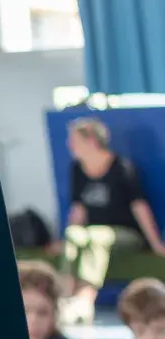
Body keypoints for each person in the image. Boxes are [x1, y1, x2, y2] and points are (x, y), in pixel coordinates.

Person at [59, 118, 165, 324]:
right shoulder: (77, 169)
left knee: (97, 237)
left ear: (90, 140)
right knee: (74, 233)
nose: (70, 145)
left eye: (74, 140)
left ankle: (85, 298)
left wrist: (156, 244)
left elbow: (139, 207)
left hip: (126, 234)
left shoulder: (122, 167)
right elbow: (78, 210)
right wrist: (66, 236)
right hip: (92, 232)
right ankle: (66, 295)